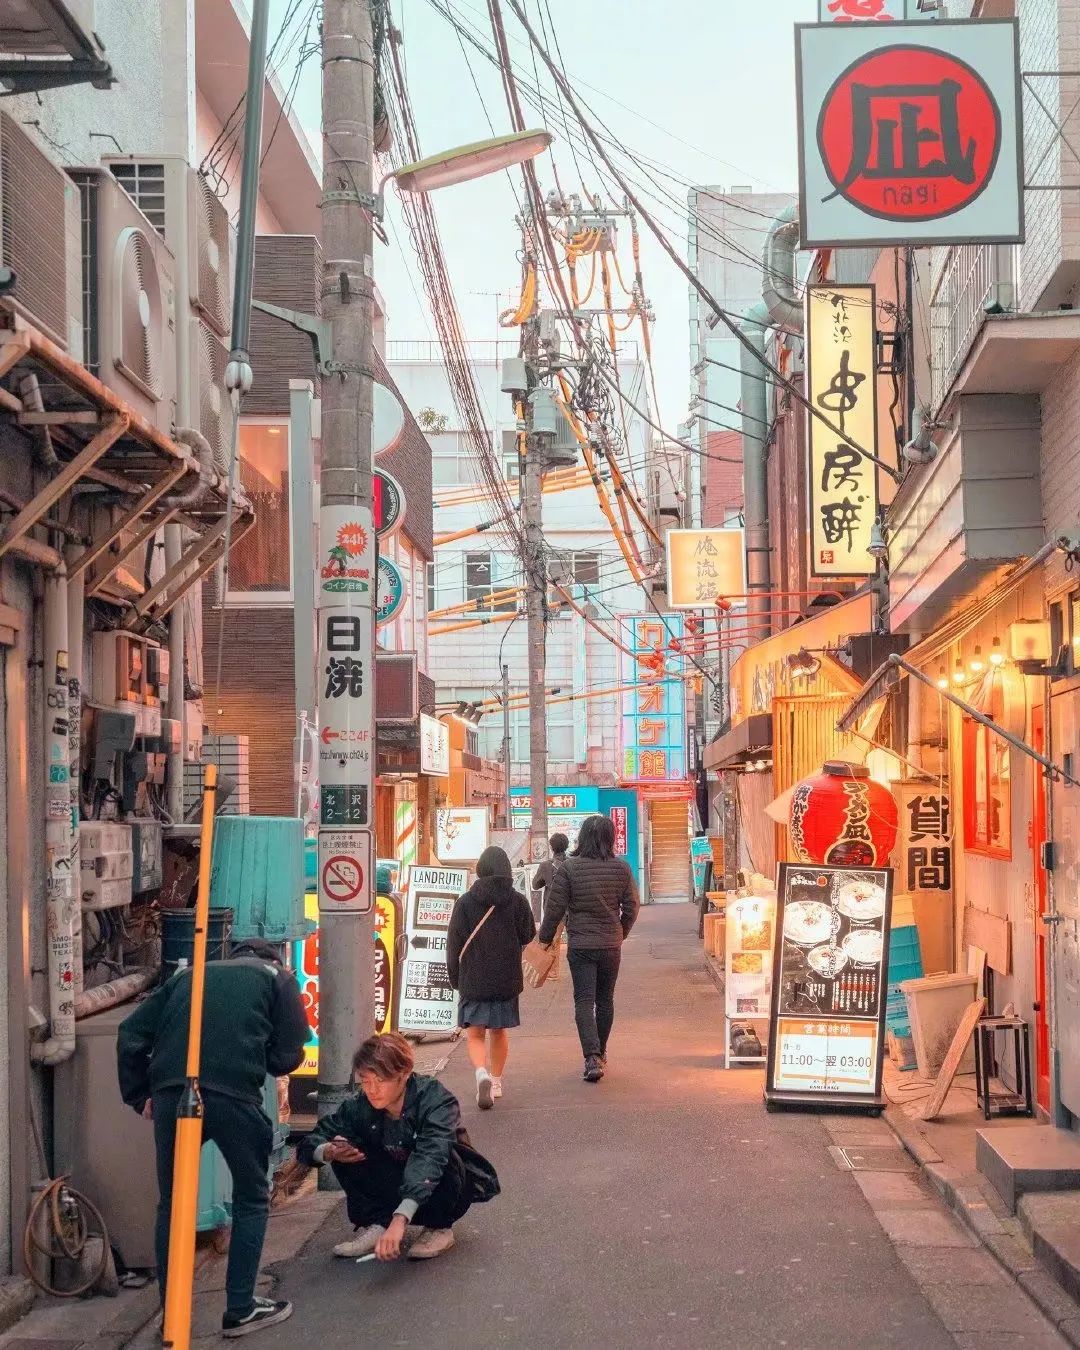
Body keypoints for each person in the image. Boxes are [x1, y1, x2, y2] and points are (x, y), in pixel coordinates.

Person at [117, 939, 308, 1338]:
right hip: (233, 1092)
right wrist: (258, 1059)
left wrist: (141, 1095)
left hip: (172, 1090)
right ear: (273, 957)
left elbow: (131, 1031)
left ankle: (173, 1319)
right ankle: (240, 1308)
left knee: (173, 1204)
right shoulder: (278, 978)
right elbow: (291, 1053)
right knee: (252, 1195)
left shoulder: (189, 976)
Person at [297, 1032, 499, 1262]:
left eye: (380, 1081)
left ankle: (439, 1227)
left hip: (443, 1186)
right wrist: (328, 1151)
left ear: (403, 1075)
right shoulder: (360, 1105)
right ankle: (378, 1222)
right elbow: (314, 1138)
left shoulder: (434, 1098)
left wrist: (401, 1219)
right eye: (365, 1080)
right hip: (394, 1182)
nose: (372, 1089)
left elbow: (430, 1155)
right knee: (346, 1147)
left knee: (442, 1155)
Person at [538, 814, 640, 1084]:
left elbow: (554, 909)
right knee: (605, 999)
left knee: (584, 1000)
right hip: (610, 944)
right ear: (610, 838)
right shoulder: (622, 869)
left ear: (581, 838)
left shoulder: (569, 869)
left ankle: (591, 1057)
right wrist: (621, 931)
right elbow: (632, 907)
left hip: (581, 945)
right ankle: (601, 1051)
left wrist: (544, 939)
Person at [446, 845, 536, 1109]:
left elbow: (454, 945)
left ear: (480, 870)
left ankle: (480, 1073)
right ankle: (496, 1081)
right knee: (498, 1032)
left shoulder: (465, 902)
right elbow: (528, 935)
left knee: (474, 1035)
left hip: (473, 979)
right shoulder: (518, 901)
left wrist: (455, 979)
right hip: (506, 979)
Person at [530, 832, 569, 924]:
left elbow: (535, 885)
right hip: (570, 908)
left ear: (551, 847)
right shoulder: (572, 863)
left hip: (552, 908)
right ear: (567, 846)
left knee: (552, 936)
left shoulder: (546, 865)